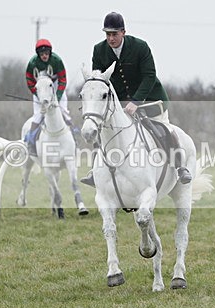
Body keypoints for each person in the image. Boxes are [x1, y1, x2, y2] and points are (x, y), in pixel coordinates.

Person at [81, 11, 192, 186]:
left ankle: (180, 167)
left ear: (123, 32)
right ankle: (96, 172)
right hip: (120, 103)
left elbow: (149, 76)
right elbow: (100, 81)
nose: (111, 39)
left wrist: (136, 102)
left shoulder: (140, 47)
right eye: (108, 34)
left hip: (150, 99)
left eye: (114, 34)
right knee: (103, 130)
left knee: (163, 130)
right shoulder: (98, 50)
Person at [23, 38, 76, 155]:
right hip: (40, 89)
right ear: (38, 54)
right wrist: (39, 95)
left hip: (56, 86)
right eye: (42, 54)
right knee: (38, 115)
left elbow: (63, 79)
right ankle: (31, 143)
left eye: (46, 53)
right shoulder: (32, 63)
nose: (45, 56)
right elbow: (29, 81)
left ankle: (74, 139)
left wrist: (57, 96)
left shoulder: (57, 60)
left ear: (50, 53)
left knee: (64, 111)